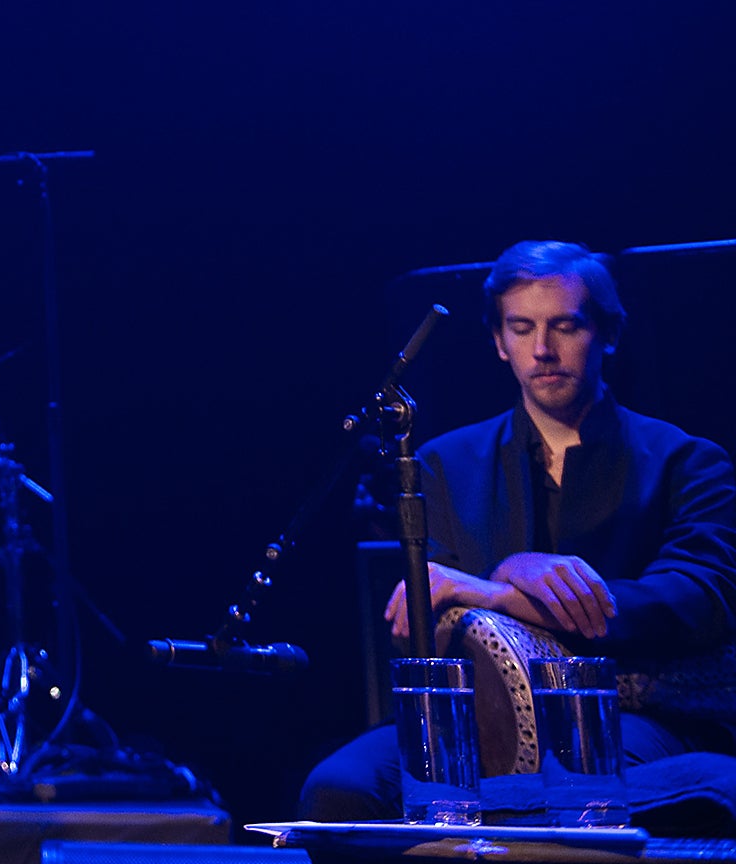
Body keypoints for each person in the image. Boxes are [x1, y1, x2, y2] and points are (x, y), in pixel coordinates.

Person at [300, 240, 736, 818]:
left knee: (594, 783)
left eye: (565, 326)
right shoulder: (443, 464)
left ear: (607, 334)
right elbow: (422, 617)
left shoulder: (687, 462)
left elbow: (695, 600)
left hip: (631, 708)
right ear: (498, 343)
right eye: (522, 328)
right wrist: (481, 587)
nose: (543, 350)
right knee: (337, 791)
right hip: (478, 711)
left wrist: (503, 587)